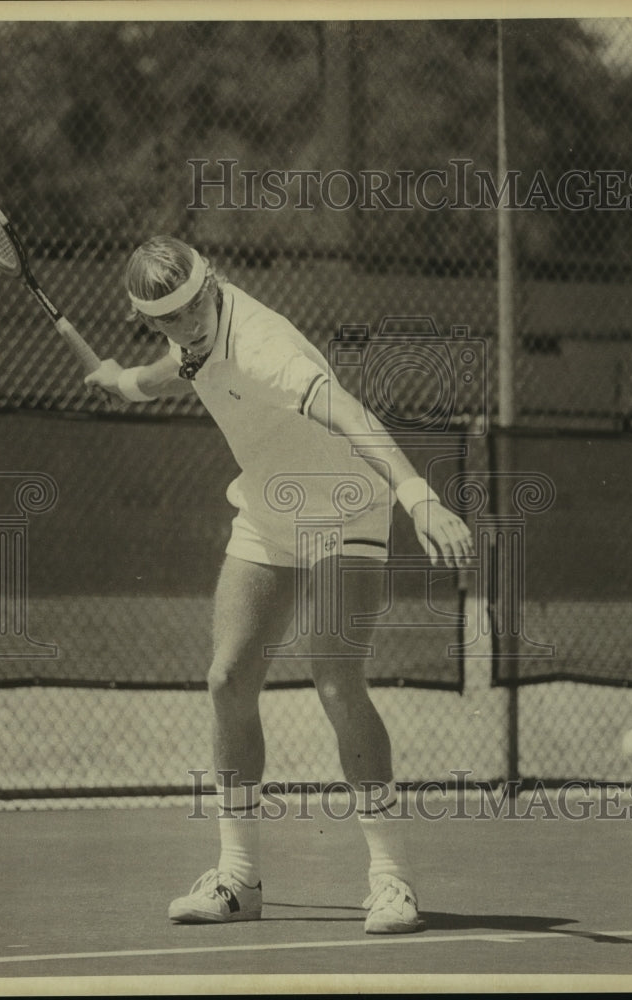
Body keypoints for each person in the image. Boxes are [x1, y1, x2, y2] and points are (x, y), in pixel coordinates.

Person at [85, 236, 474, 934]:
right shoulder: (194, 333)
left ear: (213, 283)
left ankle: (391, 881)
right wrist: (126, 382)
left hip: (346, 511)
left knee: (334, 679)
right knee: (227, 678)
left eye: (188, 308)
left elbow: (353, 414)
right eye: (164, 318)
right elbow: (181, 364)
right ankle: (238, 878)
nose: (182, 326)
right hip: (268, 513)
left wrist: (416, 494)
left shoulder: (266, 349)